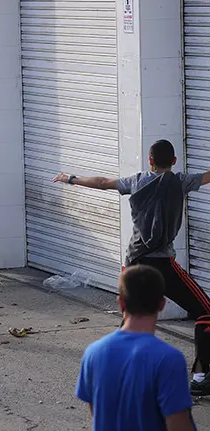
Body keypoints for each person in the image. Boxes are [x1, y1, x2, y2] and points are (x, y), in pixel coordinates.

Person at [54, 139, 210, 396]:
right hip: (163, 265)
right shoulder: (181, 181)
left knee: (132, 320)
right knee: (205, 312)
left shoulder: (136, 181)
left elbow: (103, 183)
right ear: (174, 161)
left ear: (149, 160)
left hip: (134, 264)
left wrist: (70, 178)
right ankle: (201, 376)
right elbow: (206, 177)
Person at [76, 265, 196, 430]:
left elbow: (97, 412)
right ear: (162, 304)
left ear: (121, 303)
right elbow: (178, 425)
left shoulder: (93, 352)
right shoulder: (168, 359)